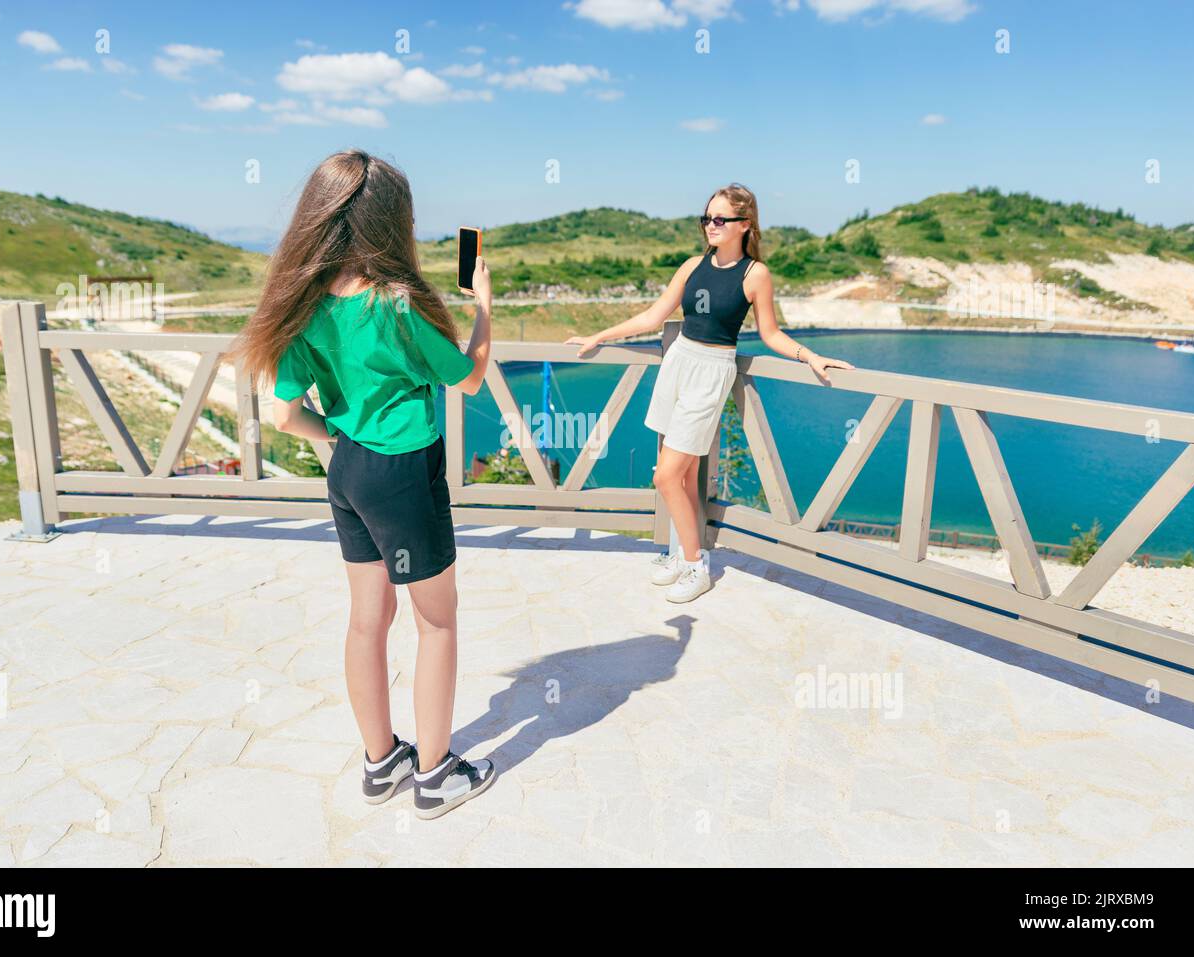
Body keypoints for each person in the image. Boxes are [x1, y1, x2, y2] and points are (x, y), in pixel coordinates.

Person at [232, 149, 497, 820]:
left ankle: (382, 762)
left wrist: (333, 439)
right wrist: (484, 310)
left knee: (366, 621)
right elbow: (466, 376)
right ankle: (436, 774)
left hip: (349, 470)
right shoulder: (398, 304)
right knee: (436, 621)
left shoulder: (304, 301)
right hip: (404, 472)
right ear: (389, 222)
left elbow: (285, 412)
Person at [567, 183, 853, 602]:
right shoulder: (691, 266)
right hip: (678, 361)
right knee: (674, 474)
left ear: (745, 224)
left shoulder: (756, 275)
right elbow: (654, 315)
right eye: (707, 218)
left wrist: (809, 355)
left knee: (666, 475)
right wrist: (599, 336)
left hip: (712, 371)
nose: (710, 226)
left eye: (720, 219)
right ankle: (685, 555)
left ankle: (697, 564)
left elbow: (770, 334)